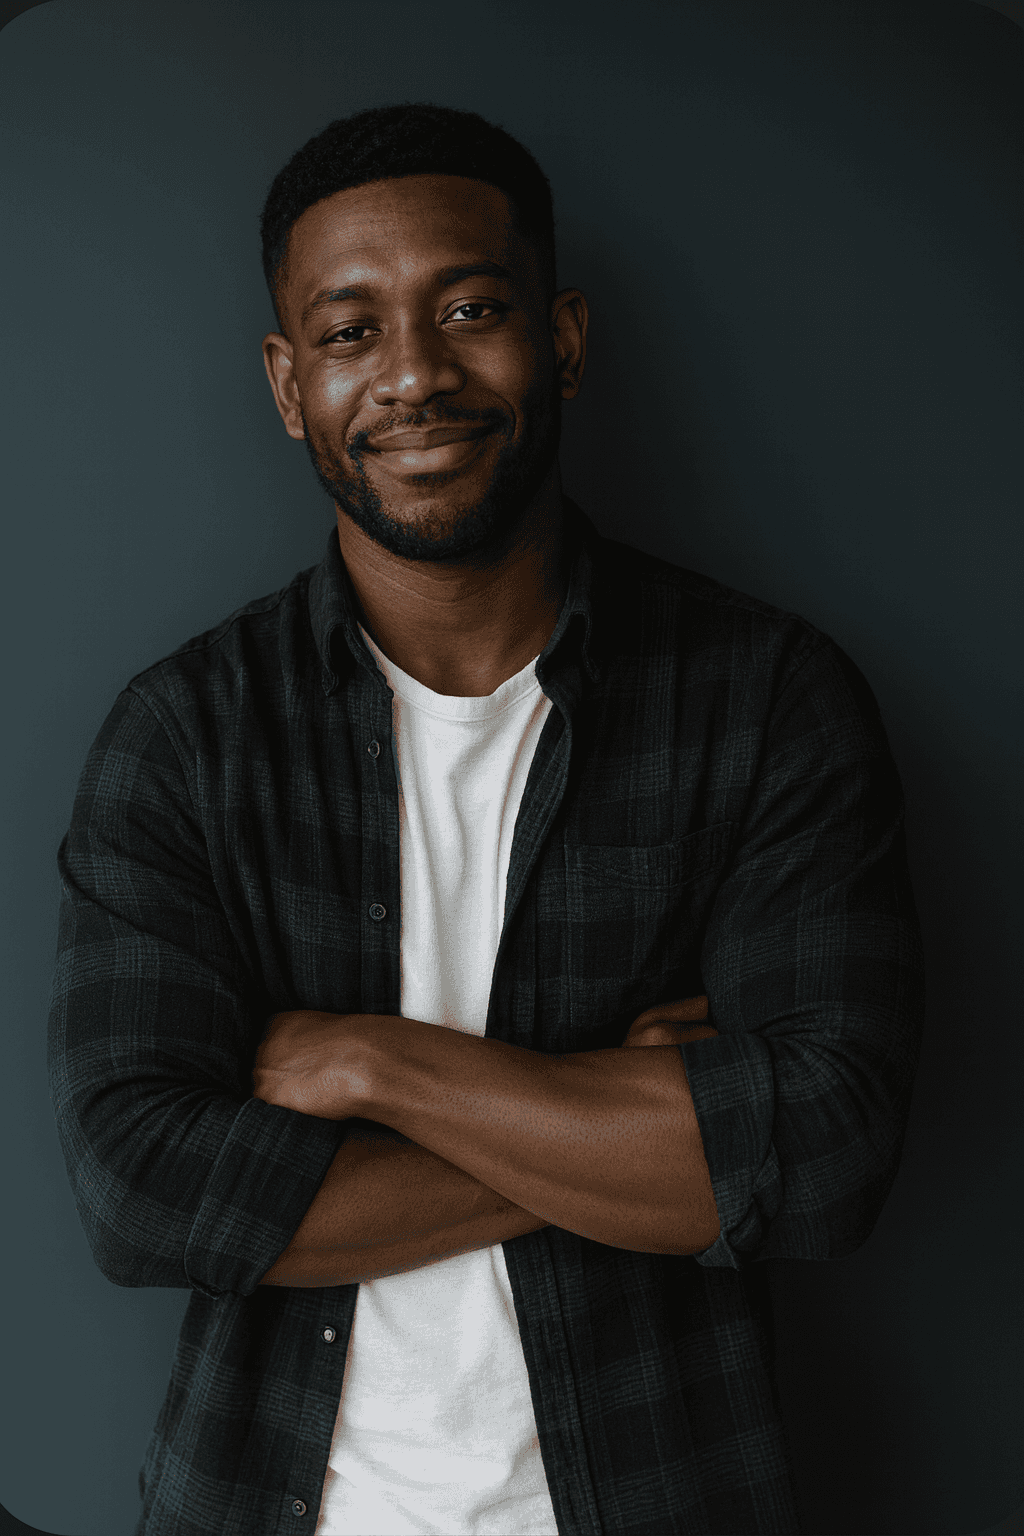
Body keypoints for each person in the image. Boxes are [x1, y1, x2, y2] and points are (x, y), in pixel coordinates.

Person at [48, 102, 925, 1536]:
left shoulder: (766, 700)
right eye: (350, 332)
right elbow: (145, 1194)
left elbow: (819, 1158)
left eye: (469, 308)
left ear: (563, 341)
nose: (414, 375)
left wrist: (375, 1062)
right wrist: (606, 1118)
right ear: (288, 385)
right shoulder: (185, 739)